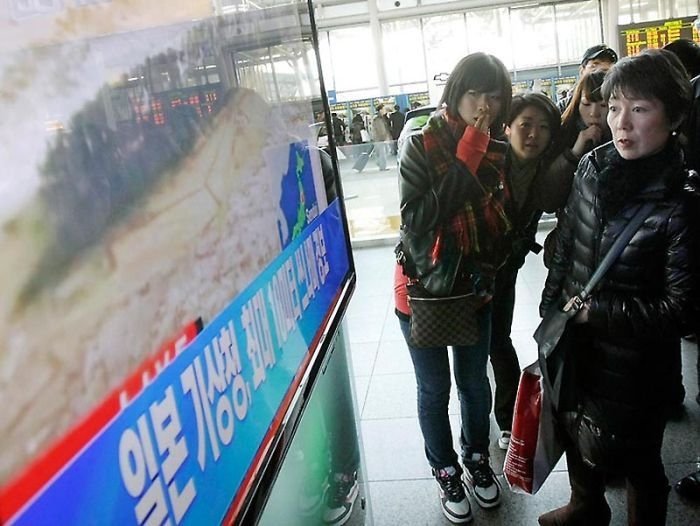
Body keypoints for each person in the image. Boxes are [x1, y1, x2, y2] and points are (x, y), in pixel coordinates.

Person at [537, 48, 698, 526]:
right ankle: (586, 505)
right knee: (569, 422)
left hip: (637, 364)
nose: (620, 123)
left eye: (640, 109)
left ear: (673, 116)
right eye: (613, 108)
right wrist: (552, 314)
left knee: (637, 459)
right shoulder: (593, 166)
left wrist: (597, 312)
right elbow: (566, 243)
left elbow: (683, 311)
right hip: (576, 338)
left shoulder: (681, 202)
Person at [394, 52, 513, 524]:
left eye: (493, 94)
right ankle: (444, 469)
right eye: (473, 92)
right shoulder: (420, 144)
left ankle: (477, 459)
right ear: (455, 94)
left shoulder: (500, 146)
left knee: (473, 383)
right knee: (434, 387)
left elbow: (500, 219)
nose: (483, 104)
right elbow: (417, 219)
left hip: (475, 288)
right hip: (422, 290)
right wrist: (466, 158)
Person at [489, 93, 563, 451]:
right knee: (480, 345)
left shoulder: (547, 170)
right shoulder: (488, 161)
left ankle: (506, 419)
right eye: (526, 125)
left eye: (544, 127)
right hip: (473, 266)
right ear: (507, 127)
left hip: (506, 268)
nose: (534, 134)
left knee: (498, 340)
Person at [543, 69, 610, 268]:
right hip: (572, 241)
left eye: (603, 105)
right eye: (586, 104)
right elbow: (548, 199)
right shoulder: (563, 135)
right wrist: (573, 153)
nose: (594, 113)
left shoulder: (629, 140)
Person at [557, 44, 618, 112]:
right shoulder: (564, 107)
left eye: (607, 68)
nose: (600, 70)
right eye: (594, 65)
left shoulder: (620, 104)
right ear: (582, 70)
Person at [372, 104, 392, 170]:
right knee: (382, 153)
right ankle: (382, 167)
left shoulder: (381, 118)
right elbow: (381, 130)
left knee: (383, 153)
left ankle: (381, 164)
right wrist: (384, 138)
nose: (385, 111)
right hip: (380, 139)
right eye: (384, 109)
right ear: (380, 110)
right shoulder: (378, 119)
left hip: (381, 139)